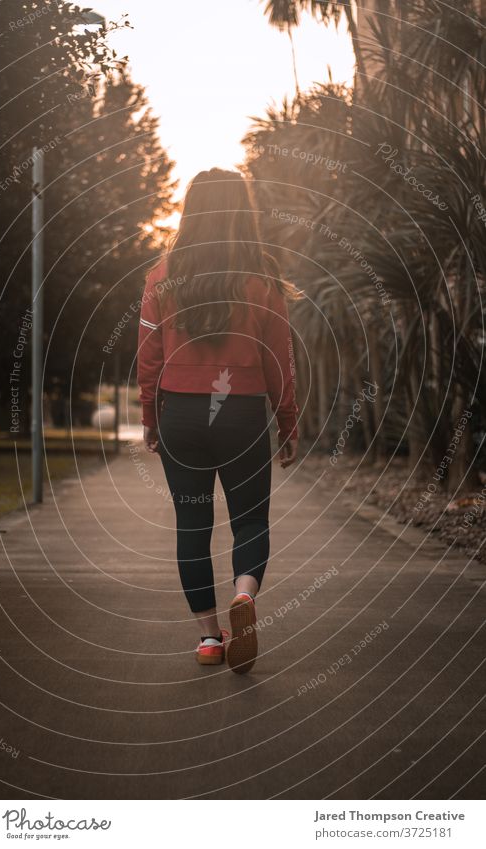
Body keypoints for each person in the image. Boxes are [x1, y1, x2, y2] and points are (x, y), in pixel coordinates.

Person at [137, 167, 299, 674]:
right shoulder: (264, 278)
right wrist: (288, 424)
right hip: (244, 415)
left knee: (193, 525)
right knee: (250, 520)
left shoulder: (162, 277)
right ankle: (245, 596)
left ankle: (209, 639)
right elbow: (280, 363)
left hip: (181, 414)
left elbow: (147, 359)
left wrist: (150, 417)